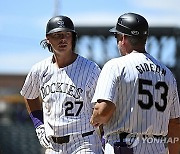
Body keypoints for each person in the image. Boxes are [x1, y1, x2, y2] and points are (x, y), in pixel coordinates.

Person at [90, 12, 180, 154]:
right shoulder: (168, 74)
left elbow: (103, 111)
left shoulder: (116, 66)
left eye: (116, 36)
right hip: (157, 147)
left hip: (125, 147)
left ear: (123, 38)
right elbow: (174, 123)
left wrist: (94, 119)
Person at [20, 15, 102, 154]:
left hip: (83, 141)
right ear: (48, 38)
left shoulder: (91, 69)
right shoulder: (39, 70)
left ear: (73, 37)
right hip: (53, 145)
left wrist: (105, 139)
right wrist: (39, 126)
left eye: (67, 34)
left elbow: (102, 107)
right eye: (57, 35)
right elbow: (29, 95)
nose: (63, 39)